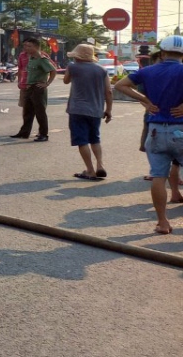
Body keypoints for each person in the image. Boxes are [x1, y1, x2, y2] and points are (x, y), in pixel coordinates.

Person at [115, 35, 183, 235]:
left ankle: (163, 222)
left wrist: (144, 99)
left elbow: (120, 85)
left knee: (158, 176)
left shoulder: (148, 71)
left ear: (162, 53)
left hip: (155, 129)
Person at [61, 44, 112, 181]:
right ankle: (100, 165)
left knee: (82, 140)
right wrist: (108, 110)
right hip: (96, 110)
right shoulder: (102, 70)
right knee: (95, 138)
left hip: (77, 109)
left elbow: (66, 81)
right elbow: (108, 91)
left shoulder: (73, 66)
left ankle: (90, 170)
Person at [11, 37, 55, 141]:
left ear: (36, 47)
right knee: (27, 112)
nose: (26, 48)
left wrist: (47, 83)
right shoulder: (31, 58)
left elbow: (53, 71)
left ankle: (43, 134)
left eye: (29, 46)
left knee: (40, 112)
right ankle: (24, 132)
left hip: (38, 88)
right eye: (25, 46)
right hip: (29, 87)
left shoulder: (42, 59)